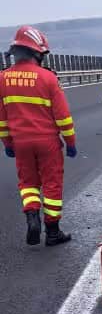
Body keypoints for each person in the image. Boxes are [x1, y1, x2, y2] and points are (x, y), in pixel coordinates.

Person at [0, 26, 76, 246]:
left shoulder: (3, 79)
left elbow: (2, 118)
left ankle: (32, 218)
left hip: (20, 142)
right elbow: (63, 118)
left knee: (28, 183)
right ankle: (52, 232)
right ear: (36, 53)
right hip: (47, 142)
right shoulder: (48, 78)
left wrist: (7, 142)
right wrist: (70, 142)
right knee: (52, 184)